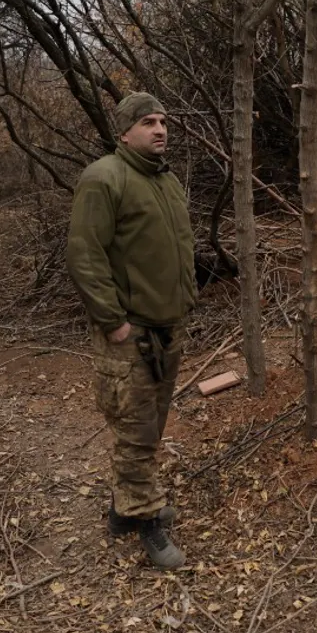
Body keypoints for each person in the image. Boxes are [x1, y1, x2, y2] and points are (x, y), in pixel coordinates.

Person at [66, 92, 197, 569]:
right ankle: (146, 521)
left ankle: (124, 509)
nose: (160, 129)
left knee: (152, 423)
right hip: (130, 332)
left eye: (163, 121)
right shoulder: (104, 178)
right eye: (148, 122)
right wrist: (113, 322)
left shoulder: (165, 181)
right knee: (136, 430)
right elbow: (84, 254)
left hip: (168, 325)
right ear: (124, 132)